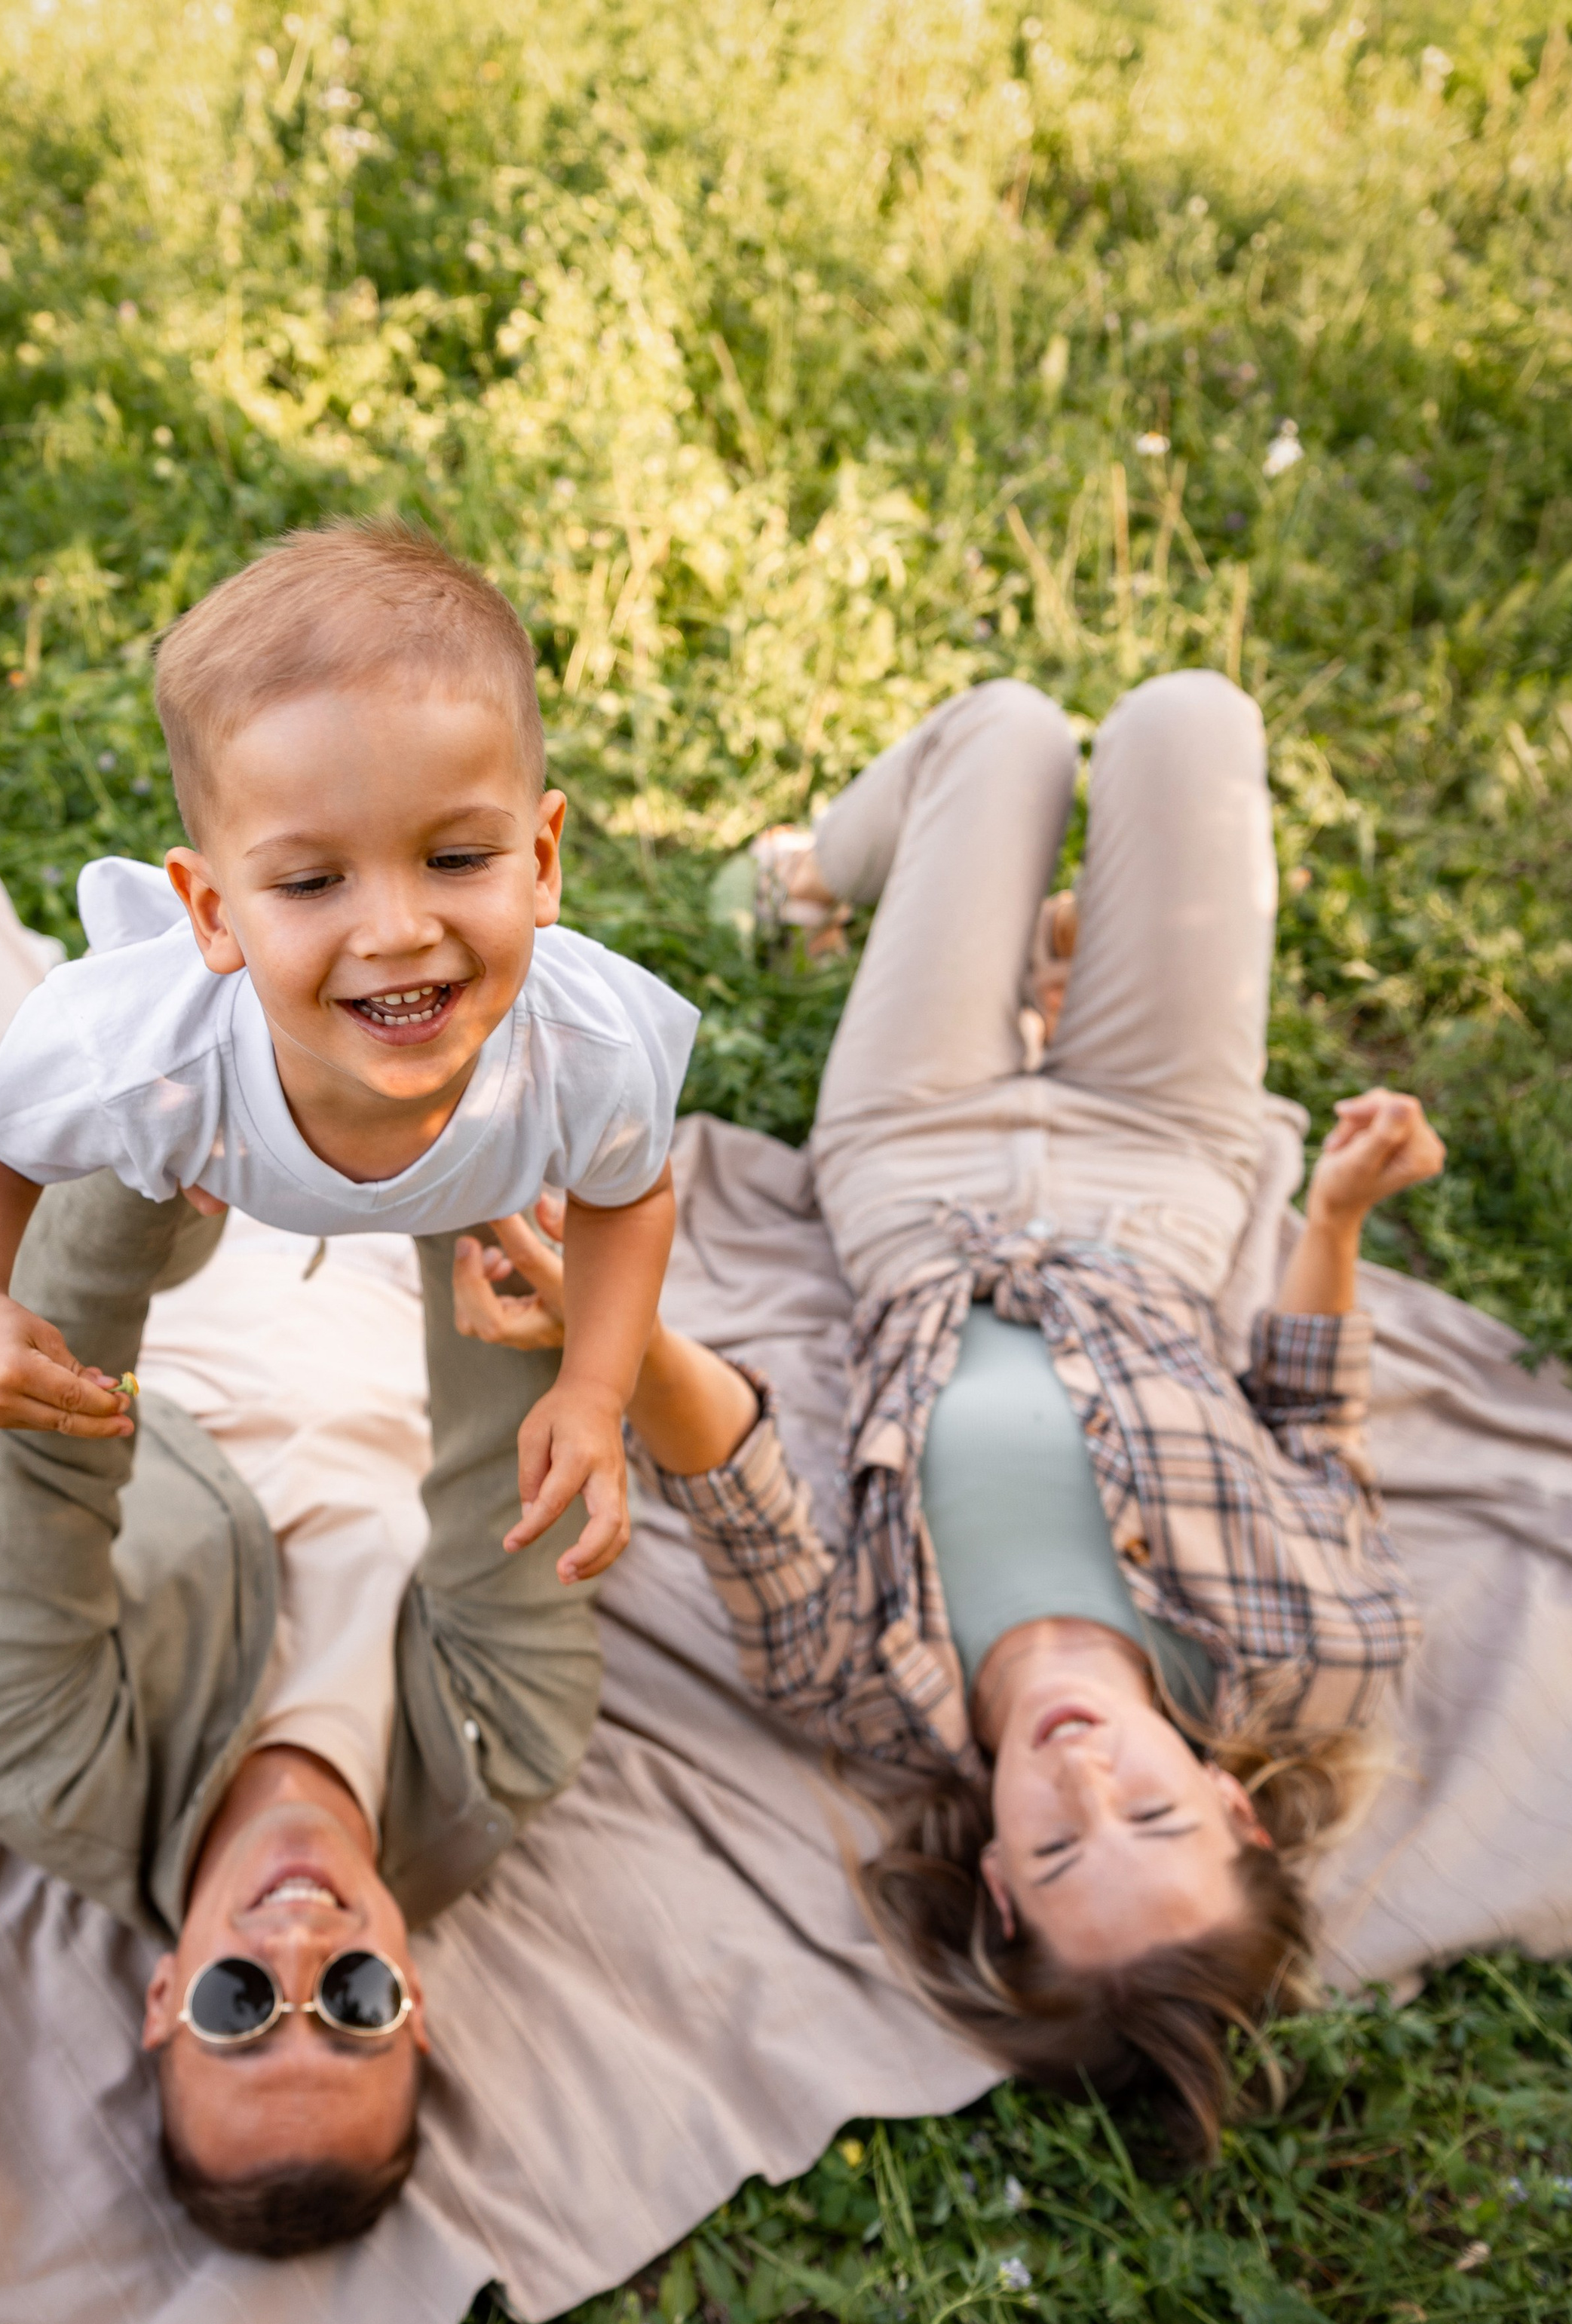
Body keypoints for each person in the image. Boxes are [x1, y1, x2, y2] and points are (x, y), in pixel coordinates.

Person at [452, 672, 1446, 2157]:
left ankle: (797, 880)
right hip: (1161, 1176)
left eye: (1054, 1844)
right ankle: (1032, 956)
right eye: (1154, 1819)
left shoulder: (862, 1690)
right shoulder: (1316, 1657)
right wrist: (1334, 1217)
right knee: (1192, 724)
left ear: (992, 1876)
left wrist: (604, 1319)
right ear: (1235, 1813)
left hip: (909, 1175)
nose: (1082, 1775)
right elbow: (1312, 1423)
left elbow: (729, 1472)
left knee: (1008, 732)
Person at [0, 786, 609, 2258]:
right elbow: (505, 1431)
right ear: (414, 2000)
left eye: (240, 2011)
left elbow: (49, 1455)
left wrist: (141, 1139)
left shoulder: (40, 1773)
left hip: (135, 1264)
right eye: (353, 2010)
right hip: (374, 1243)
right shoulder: (502, 1762)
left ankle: (8, 1053)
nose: (298, 1949)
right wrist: (435, 1133)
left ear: (162, 1994)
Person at [0, 519, 697, 1590]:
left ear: (544, 859)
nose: (395, 931)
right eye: (311, 882)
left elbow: (631, 1197)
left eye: (457, 858)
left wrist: (595, 1391)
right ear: (215, 910)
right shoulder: (138, 1058)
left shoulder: (587, 1053)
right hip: (179, 1155)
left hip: (267, 1149)